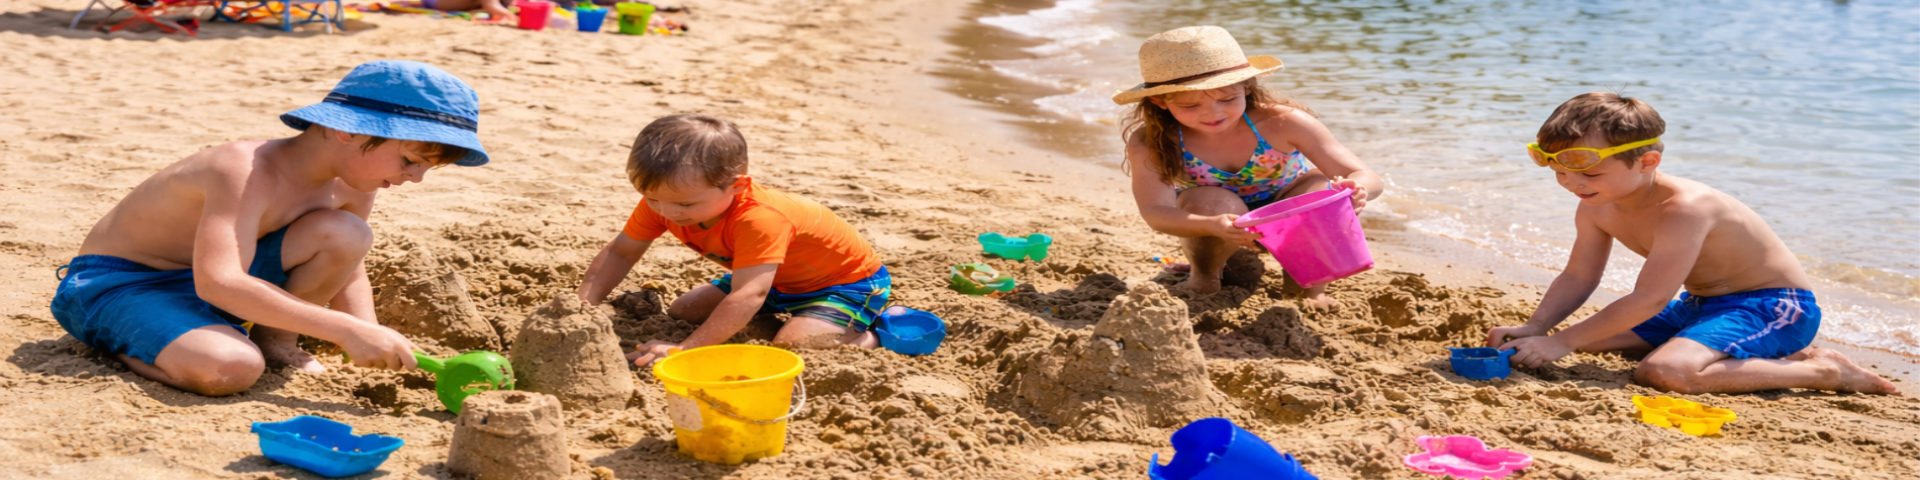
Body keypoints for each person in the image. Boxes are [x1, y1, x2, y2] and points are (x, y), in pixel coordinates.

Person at [49, 60, 491, 396]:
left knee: (347, 233)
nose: (415, 178)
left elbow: (348, 261)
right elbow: (219, 282)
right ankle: (129, 342)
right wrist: (341, 330)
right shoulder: (244, 169)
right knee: (232, 368)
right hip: (123, 285)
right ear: (347, 130)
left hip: (214, 281)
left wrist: (370, 331)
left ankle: (277, 340)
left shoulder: (355, 180)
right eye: (411, 161)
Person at [1487, 93, 1895, 395]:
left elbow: (1648, 298)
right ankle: (1732, 349)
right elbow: (1578, 274)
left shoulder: (1685, 209)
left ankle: (1825, 372)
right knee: (1586, 337)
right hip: (1696, 307)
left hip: (1773, 307)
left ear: (1647, 162)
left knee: (1665, 373)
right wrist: (1538, 328)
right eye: (1557, 172)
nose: (1571, 184)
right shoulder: (1596, 204)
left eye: (1588, 175)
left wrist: (1559, 341)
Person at [574, 113, 890, 367]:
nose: (667, 212)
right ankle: (793, 319)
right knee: (684, 310)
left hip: (845, 283)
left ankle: (876, 337)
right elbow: (622, 252)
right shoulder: (664, 202)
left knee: (793, 345)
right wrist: (582, 307)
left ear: (737, 187)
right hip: (774, 279)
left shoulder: (760, 218)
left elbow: (750, 294)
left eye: (685, 205)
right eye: (651, 198)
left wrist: (687, 349)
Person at [1116, 26, 1384, 308]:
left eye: (1227, 99)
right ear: (1160, 101)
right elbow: (1155, 212)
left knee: (1321, 189)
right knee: (1210, 202)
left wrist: (1356, 188)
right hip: (1220, 221)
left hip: (1289, 211)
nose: (1213, 113)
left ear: (1246, 86)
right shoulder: (1153, 139)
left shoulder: (1283, 121)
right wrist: (1212, 226)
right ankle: (1204, 277)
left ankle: (1312, 287)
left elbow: (1367, 176)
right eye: (1191, 105)